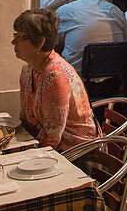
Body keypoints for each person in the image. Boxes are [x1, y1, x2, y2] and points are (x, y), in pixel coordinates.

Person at [13, 9, 98, 151]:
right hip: (47, 146)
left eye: (21, 37)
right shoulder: (28, 70)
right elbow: (25, 121)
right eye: (15, 35)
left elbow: (51, 138)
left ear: (40, 42)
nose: (13, 42)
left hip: (75, 152)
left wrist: (20, 152)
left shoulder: (55, 76)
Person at [56, 0, 127, 71]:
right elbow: (125, 43)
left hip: (76, 79)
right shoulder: (116, 11)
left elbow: (52, 42)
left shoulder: (65, 11)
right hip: (112, 78)